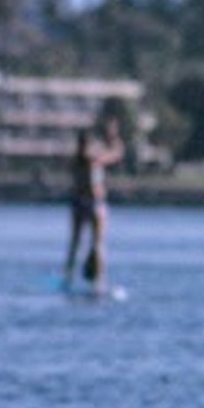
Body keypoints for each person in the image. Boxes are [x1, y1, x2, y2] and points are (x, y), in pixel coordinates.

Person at [63, 114, 124, 291]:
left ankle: (70, 278)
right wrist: (113, 136)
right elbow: (116, 153)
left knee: (78, 244)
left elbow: (115, 154)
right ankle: (98, 282)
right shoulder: (94, 160)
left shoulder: (77, 161)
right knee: (95, 244)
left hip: (82, 204)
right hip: (92, 204)